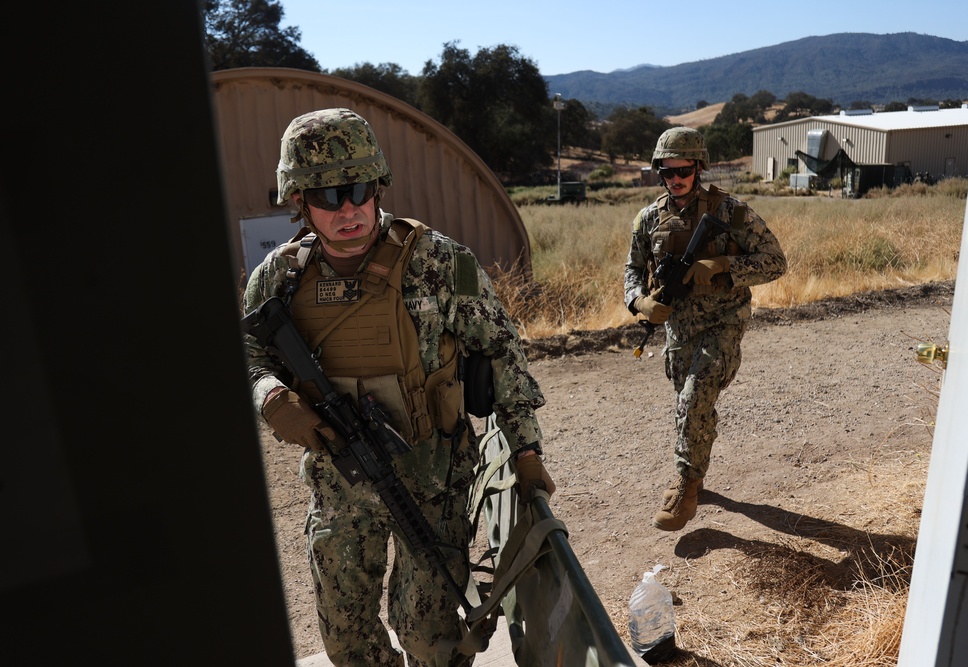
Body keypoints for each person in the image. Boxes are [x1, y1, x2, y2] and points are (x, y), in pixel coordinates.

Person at [242, 108, 554, 667]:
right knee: (346, 642)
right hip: (338, 482)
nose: (348, 209)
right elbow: (248, 351)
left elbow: (503, 355)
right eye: (328, 195)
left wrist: (526, 454)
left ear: (378, 183)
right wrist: (269, 394)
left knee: (430, 640)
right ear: (299, 201)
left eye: (359, 188)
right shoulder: (279, 276)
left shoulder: (441, 263)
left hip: (432, 479)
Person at [623, 126, 786, 532]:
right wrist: (641, 302)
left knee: (694, 399)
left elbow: (776, 261)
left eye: (683, 171)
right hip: (678, 329)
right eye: (666, 172)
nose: (675, 179)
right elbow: (631, 271)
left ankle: (687, 487)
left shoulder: (730, 212)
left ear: (699, 167)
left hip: (723, 323)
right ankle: (696, 469)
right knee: (689, 407)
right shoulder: (648, 219)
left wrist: (724, 268)